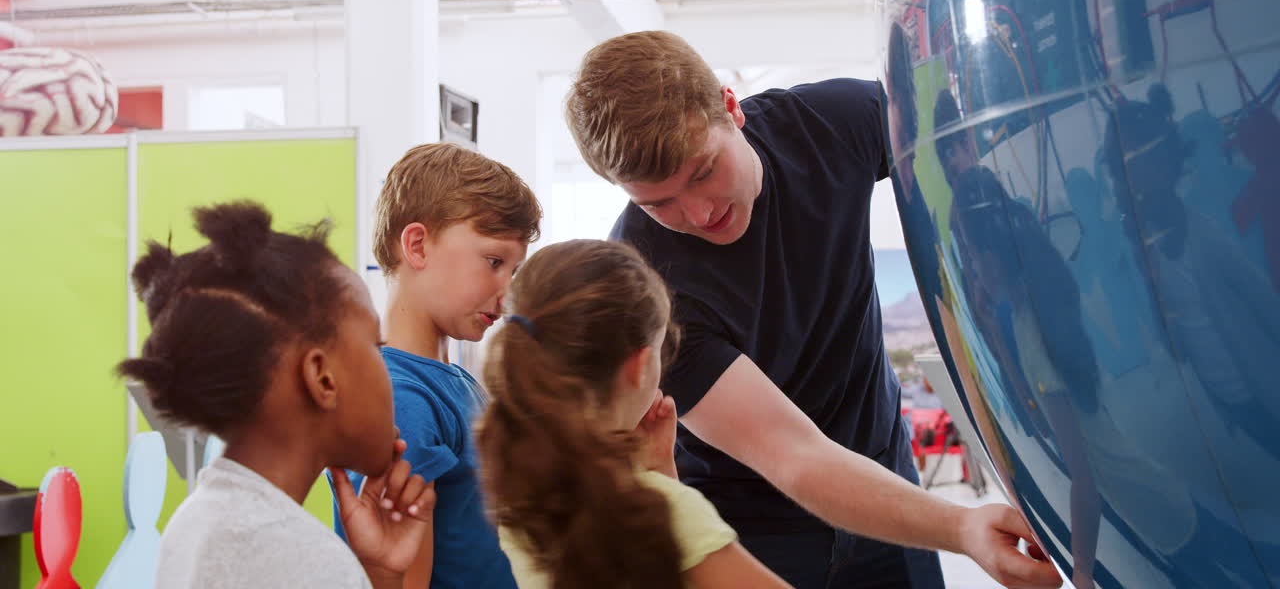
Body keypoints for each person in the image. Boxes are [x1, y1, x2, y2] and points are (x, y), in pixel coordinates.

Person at [565, 30, 1061, 588]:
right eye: (659, 204)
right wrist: (962, 528)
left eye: (704, 171)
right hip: (756, 521)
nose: (700, 213)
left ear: (732, 109)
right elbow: (794, 455)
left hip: (886, 477)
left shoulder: (832, 123)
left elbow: (958, 118)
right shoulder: (643, 292)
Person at [118, 200, 434, 589]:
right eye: (375, 344)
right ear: (322, 378)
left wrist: (381, 574)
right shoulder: (304, 561)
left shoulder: (202, 522)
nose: (387, 368)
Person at [478, 238, 791, 588]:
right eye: (659, 349)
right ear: (641, 365)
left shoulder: (524, 502)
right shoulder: (671, 513)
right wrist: (665, 488)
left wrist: (660, 471)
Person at [335, 143, 541, 589]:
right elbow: (401, 574)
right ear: (417, 246)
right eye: (493, 262)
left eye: (515, 271)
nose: (507, 294)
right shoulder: (400, 400)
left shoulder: (456, 382)